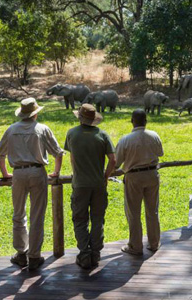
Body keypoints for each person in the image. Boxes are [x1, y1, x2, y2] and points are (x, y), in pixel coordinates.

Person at [0, 98, 64, 270]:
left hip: (18, 174)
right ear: (35, 113)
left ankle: (20, 253)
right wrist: (56, 172)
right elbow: (58, 153)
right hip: (37, 172)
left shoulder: (11, 130)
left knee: (18, 214)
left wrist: (5, 174)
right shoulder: (42, 129)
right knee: (37, 215)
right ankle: (34, 256)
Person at [64, 104, 116, 269]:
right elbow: (113, 160)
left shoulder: (72, 134)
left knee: (80, 220)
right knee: (97, 219)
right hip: (98, 185)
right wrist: (105, 176)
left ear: (79, 117)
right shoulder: (102, 135)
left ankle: (84, 254)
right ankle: (96, 253)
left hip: (80, 184)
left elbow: (72, 158)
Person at [115, 109, 164, 256]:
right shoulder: (154, 135)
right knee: (152, 210)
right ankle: (154, 243)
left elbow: (117, 163)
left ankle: (136, 246)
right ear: (146, 121)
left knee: (133, 212)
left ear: (132, 121)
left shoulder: (125, 139)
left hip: (134, 177)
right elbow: (160, 153)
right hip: (152, 174)